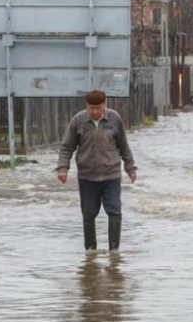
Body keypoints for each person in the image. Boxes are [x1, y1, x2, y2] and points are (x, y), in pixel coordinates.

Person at [57, 90, 137, 252]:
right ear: (87, 106)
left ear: (104, 105)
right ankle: (90, 251)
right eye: (91, 108)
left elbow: (124, 146)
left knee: (114, 210)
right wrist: (63, 168)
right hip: (87, 177)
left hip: (111, 175)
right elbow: (67, 147)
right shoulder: (78, 121)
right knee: (89, 214)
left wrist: (130, 167)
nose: (94, 111)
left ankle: (114, 251)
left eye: (98, 108)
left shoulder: (114, 119)